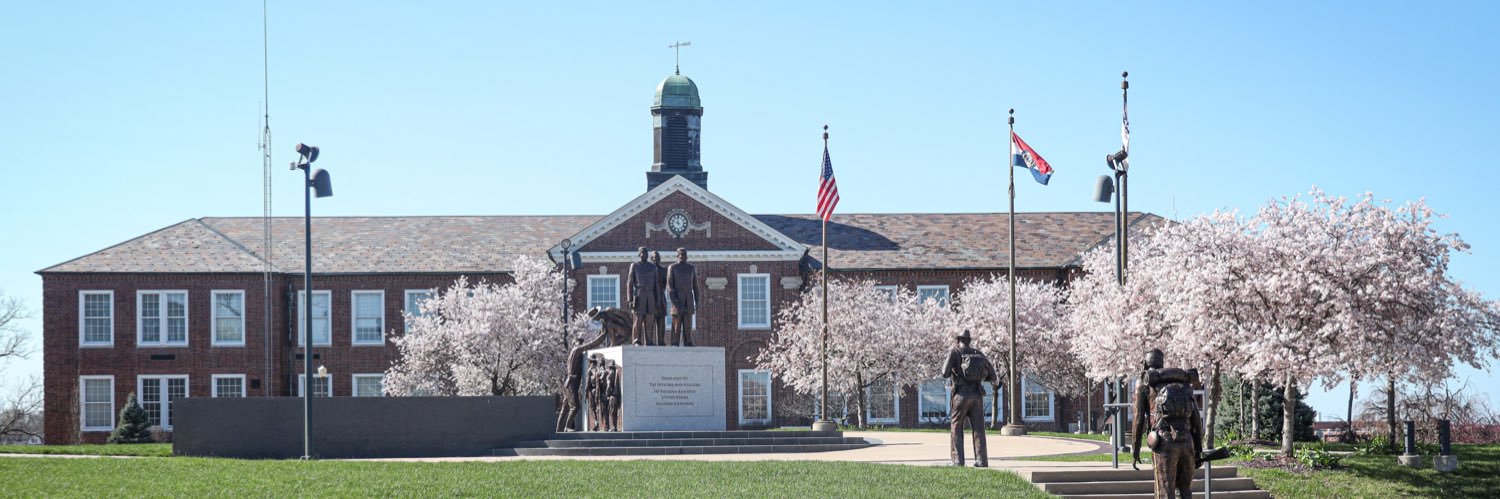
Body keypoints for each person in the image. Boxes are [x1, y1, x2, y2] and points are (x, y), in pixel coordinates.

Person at [1132, 348, 1206, 499]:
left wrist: (1135, 449)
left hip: (1164, 442)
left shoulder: (1144, 383)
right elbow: (1196, 420)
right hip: (1187, 441)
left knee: (1165, 492)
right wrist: (1198, 447)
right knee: (1186, 490)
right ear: (1162, 363)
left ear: (1145, 364)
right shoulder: (1182, 383)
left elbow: (1138, 418)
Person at [940, 329, 997, 467]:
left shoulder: (955, 352)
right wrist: (980, 376)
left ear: (958, 340)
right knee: (979, 428)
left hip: (961, 395)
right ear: (969, 341)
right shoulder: (978, 354)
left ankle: (958, 461)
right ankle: (981, 460)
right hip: (977, 396)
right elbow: (993, 376)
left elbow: (944, 373)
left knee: (956, 426)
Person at [556, 329, 608, 432]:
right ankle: (567, 427)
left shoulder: (575, 353)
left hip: (570, 383)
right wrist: (602, 336)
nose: (580, 344)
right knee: (575, 407)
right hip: (571, 383)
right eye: (578, 342)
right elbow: (591, 345)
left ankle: (558, 430)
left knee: (565, 409)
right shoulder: (576, 350)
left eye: (581, 342)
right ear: (574, 343)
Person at [626, 247, 664, 346]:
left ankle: (649, 340)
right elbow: (629, 284)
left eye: (646, 253)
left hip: (650, 296)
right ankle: (636, 340)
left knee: (649, 320)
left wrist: (657, 300)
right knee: (638, 320)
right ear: (639, 254)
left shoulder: (652, 267)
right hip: (639, 295)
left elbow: (656, 285)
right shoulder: (634, 266)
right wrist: (630, 300)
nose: (645, 255)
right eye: (643, 253)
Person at [666, 248, 699, 346]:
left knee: (688, 324)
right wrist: (675, 303)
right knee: (676, 325)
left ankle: (688, 342)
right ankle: (674, 343)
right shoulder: (672, 267)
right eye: (681, 254)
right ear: (677, 256)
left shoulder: (691, 268)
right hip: (677, 299)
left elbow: (695, 287)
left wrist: (697, 301)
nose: (683, 256)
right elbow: (670, 287)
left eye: (684, 254)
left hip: (688, 299)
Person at [651, 250, 668, 345]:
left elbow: (668, 284)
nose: (656, 259)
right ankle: (649, 341)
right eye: (654, 257)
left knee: (661, 321)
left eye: (657, 257)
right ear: (651, 259)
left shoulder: (664, 270)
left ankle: (661, 341)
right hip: (651, 298)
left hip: (661, 297)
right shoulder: (648, 270)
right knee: (650, 321)